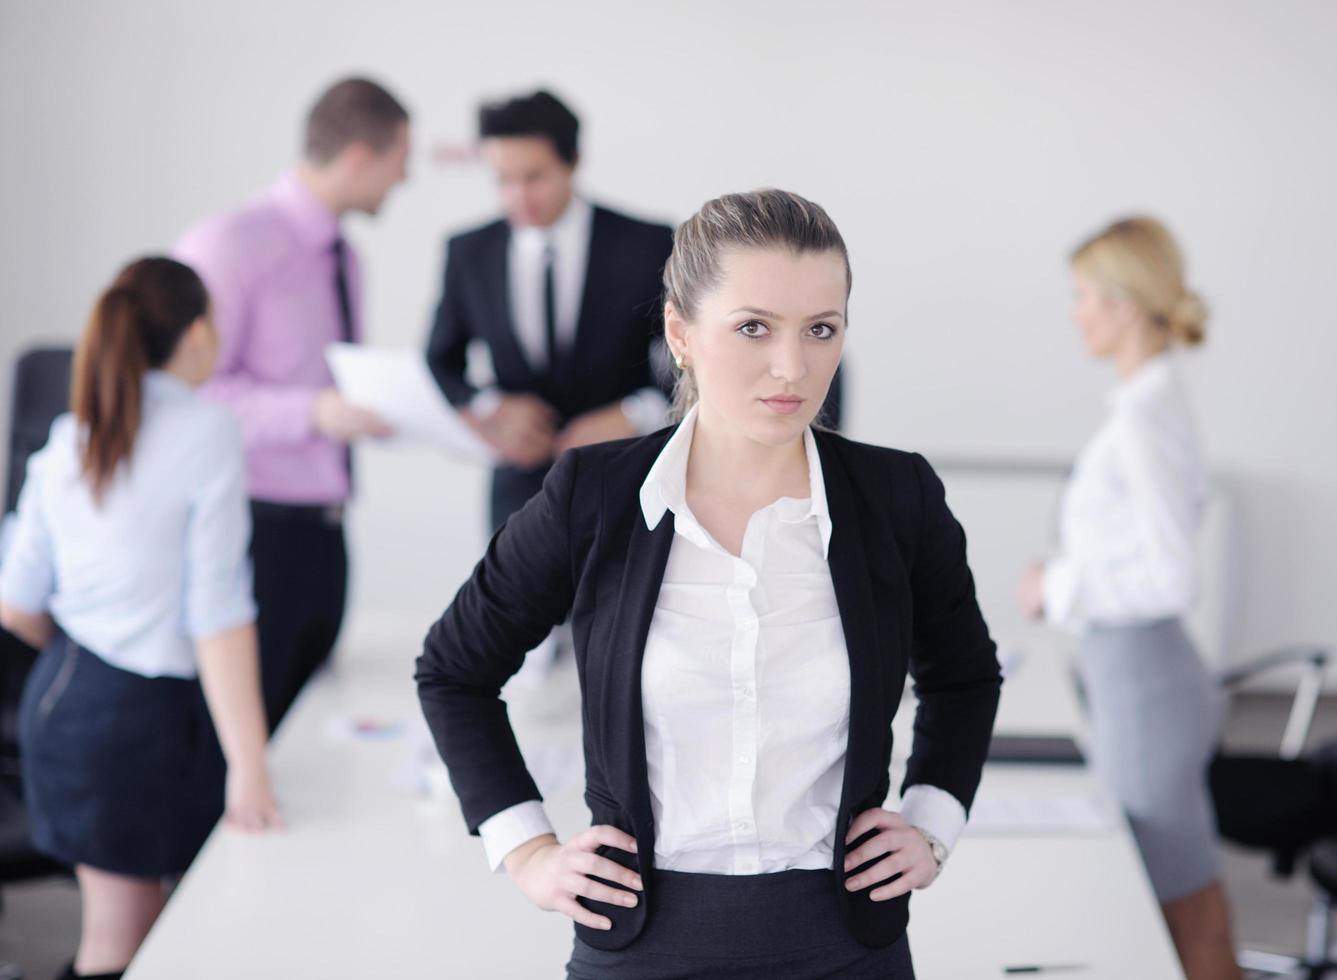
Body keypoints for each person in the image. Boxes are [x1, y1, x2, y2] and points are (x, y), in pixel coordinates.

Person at [417, 189, 1001, 978]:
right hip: (641, 943)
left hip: (843, 947)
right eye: (754, 327)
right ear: (680, 334)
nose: (792, 366)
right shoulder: (593, 495)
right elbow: (454, 670)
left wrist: (932, 822)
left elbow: (963, 676)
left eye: (820, 330)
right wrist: (526, 850)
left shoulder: (897, 498)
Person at [0, 257, 280, 980]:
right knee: (124, 949)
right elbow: (218, 617)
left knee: (138, 938)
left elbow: (15, 601)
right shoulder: (207, 431)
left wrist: (88, 642)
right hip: (132, 724)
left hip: (67, 703)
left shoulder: (70, 436)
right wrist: (250, 767)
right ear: (193, 335)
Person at [1017, 216, 1241, 980]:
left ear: (1122, 302)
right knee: (1186, 898)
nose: (1075, 313)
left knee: (1183, 906)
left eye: (1082, 296)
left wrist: (1060, 586)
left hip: (1147, 685)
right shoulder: (1146, 402)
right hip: (1135, 677)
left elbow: (1175, 577)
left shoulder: (1145, 418)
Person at [174, 77, 410, 731]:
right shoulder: (227, 245)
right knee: (248, 740)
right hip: (254, 533)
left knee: (312, 731)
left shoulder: (345, 258)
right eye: (399, 162)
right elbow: (186, 395)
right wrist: (312, 413)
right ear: (360, 157)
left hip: (326, 534)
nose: (405, 179)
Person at [425, 89, 677, 535]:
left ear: (573, 161)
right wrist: (491, 407)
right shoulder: (468, 252)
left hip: (629, 481)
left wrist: (638, 413)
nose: (518, 196)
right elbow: (440, 361)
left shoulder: (648, 244)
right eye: (503, 180)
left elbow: (688, 352)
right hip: (517, 495)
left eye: (534, 176)